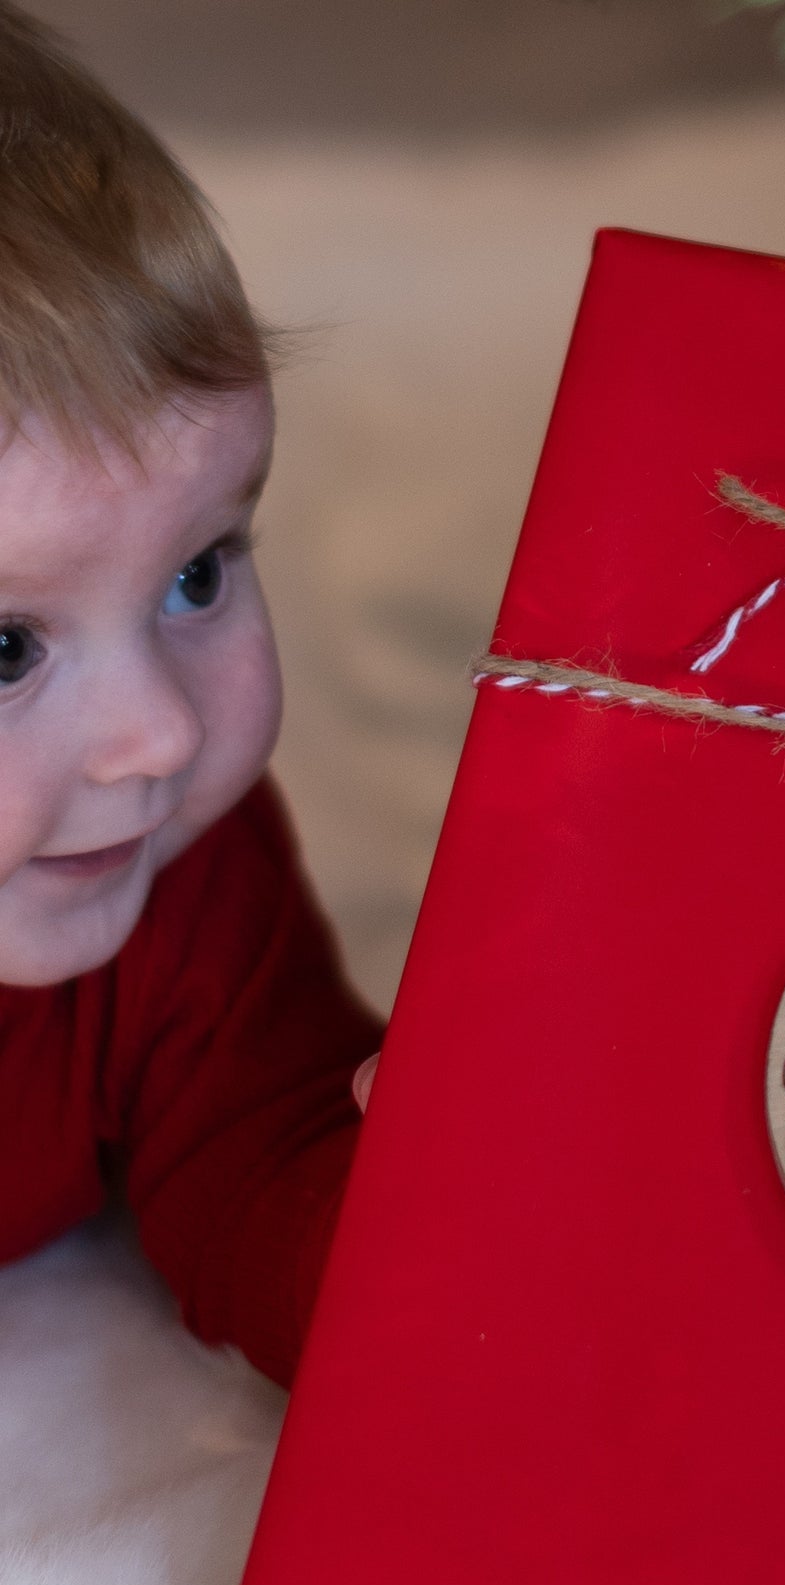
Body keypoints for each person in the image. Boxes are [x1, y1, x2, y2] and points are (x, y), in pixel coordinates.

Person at [0, 3, 381, 1386]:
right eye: (7, 652)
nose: (158, 733)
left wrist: (422, 1227)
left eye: (199, 573)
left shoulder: (175, 875)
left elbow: (267, 1156)